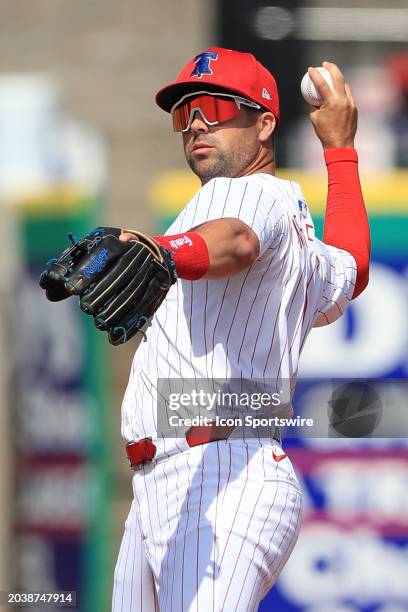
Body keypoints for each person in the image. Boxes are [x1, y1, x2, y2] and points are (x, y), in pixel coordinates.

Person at [112, 47, 370, 611]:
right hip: (178, 482)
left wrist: (163, 249)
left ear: (265, 124)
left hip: (219, 476)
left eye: (213, 106)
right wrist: (340, 152)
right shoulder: (296, 225)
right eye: (184, 114)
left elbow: (235, 240)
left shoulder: (243, 193)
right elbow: (353, 267)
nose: (196, 122)